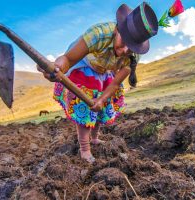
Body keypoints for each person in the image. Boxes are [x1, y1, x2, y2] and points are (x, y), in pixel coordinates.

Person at [37, 2, 159, 163]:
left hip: (106, 75)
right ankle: (85, 148)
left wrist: (101, 99)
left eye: (130, 49)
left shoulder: (133, 55)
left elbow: (115, 84)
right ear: (117, 30)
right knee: (85, 108)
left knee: (101, 108)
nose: (124, 51)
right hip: (85, 69)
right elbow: (68, 59)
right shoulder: (99, 34)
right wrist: (57, 68)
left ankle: (94, 138)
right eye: (123, 44)